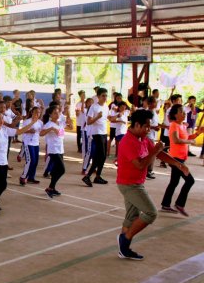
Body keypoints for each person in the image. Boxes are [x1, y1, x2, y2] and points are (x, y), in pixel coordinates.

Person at [116, 109, 188, 260]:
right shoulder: (127, 142)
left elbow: (159, 153)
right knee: (151, 213)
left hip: (136, 182)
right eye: (146, 126)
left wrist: (177, 164)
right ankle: (125, 239)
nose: (149, 129)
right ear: (137, 125)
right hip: (129, 184)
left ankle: (123, 249)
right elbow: (141, 165)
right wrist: (154, 151)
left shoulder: (143, 138)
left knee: (131, 217)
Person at [0, 109, 39, 215]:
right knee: (3, 183)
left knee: (2, 184)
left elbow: (19, 131)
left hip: (3, 160)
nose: (1, 121)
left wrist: (32, 123)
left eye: (2, 118)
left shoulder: (4, 129)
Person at [160, 104, 203, 216]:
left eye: (184, 112)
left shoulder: (182, 126)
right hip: (176, 159)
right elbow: (176, 140)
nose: (184, 114)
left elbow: (187, 138)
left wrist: (198, 133)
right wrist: (190, 142)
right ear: (175, 114)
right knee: (190, 180)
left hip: (181, 158)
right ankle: (179, 204)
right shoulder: (174, 125)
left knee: (174, 182)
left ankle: (165, 204)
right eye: (181, 112)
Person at [82, 88, 110, 186]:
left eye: (106, 95)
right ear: (98, 97)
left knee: (103, 156)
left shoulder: (106, 106)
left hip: (104, 132)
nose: (105, 97)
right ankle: (88, 176)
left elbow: (107, 118)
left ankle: (97, 176)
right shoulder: (93, 107)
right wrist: (97, 117)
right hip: (96, 133)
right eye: (103, 95)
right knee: (99, 156)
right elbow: (88, 122)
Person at [41, 106, 66, 198]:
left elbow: (62, 134)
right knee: (62, 169)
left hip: (60, 149)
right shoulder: (49, 124)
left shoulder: (60, 123)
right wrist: (51, 129)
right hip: (53, 150)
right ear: (50, 114)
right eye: (55, 113)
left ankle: (52, 188)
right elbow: (41, 133)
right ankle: (50, 187)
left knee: (56, 170)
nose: (57, 114)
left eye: (58, 112)